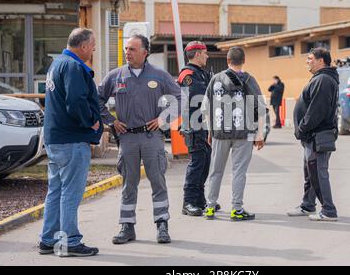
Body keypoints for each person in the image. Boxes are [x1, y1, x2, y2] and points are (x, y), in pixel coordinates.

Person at [98, 34, 181, 244]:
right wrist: (111, 121)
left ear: (145, 52)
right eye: (127, 49)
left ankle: (162, 225)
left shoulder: (160, 76)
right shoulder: (115, 76)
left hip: (152, 137)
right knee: (129, 184)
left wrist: (163, 119)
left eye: (133, 49)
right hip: (127, 138)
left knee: (157, 181)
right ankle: (127, 227)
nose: (128, 52)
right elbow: (96, 100)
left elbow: (180, 98)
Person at [39, 28, 103, 257]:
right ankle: (69, 241)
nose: (94, 49)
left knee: (55, 190)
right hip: (72, 140)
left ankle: (49, 239)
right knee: (70, 193)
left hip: (56, 139)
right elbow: (75, 101)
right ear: (83, 46)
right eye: (93, 45)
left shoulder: (57, 64)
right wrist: (90, 123)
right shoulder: (74, 67)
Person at [202, 46, 266, 221]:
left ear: (227, 61)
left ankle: (209, 207)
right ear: (244, 60)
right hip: (243, 134)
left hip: (219, 133)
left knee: (215, 170)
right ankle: (236, 209)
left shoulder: (215, 79)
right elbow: (260, 108)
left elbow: (206, 108)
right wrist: (260, 134)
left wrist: (210, 131)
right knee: (239, 171)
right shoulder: (250, 79)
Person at [288, 47, 339, 222]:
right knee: (310, 172)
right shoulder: (321, 78)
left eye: (310, 58)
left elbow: (316, 111)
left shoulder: (323, 80)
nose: (307, 61)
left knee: (318, 173)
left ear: (321, 61)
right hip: (312, 136)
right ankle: (308, 205)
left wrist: (302, 128)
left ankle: (329, 210)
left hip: (317, 135)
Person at [178, 41, 220, 216]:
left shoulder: (203, 73)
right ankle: (188, 202)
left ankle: (200, 200)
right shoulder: (187, 74)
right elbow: (199, 96)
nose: (207, 56)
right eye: (204, 53)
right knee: (197, 164)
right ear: (196, 54)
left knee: (205, 163)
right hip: (194, 125)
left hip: (206, 125)